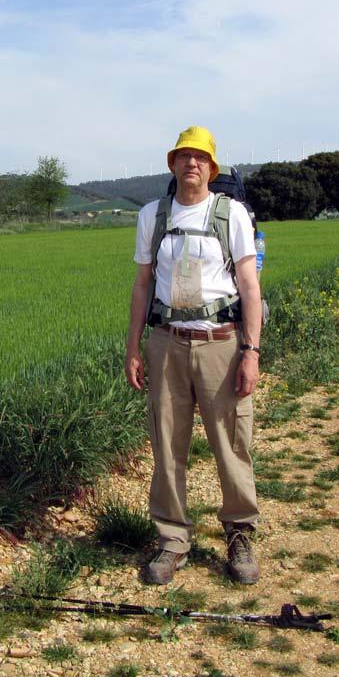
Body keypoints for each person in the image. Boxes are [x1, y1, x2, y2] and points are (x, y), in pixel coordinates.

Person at [125, 126, 262, 586]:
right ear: (172, 164)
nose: (192, 164)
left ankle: (240, 533)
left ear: (212, 167)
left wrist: (251, 352)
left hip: (221, 343)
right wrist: (132, 348)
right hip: (165, 342)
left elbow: (248, 285)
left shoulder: (232, 215)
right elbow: (143, 284)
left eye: (200, 158)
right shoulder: (152, 215)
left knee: (230, 443)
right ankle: (172, 539)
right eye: (184, 156)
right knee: (166, 444)